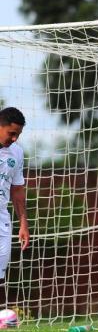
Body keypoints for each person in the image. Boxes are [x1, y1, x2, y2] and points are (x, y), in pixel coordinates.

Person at [0, 107, 30, 305]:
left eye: (17, 135)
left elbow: (17, 190)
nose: (14, 139)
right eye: (11, 133)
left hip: (2, 217)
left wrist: (23, 224)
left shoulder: (17, 152)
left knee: (0, 271)